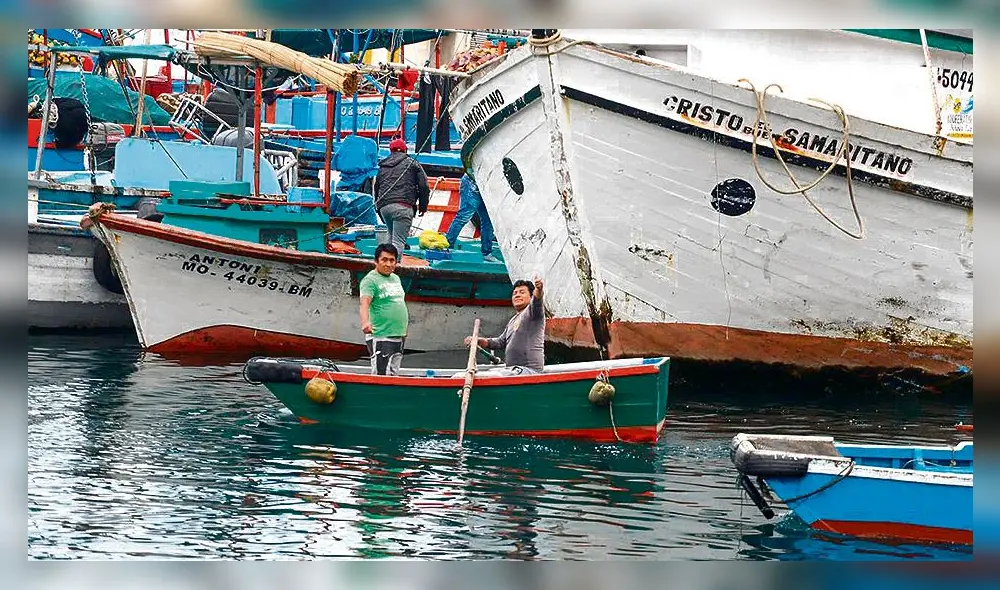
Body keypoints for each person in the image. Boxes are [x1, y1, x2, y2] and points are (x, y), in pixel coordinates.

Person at [466, 277, 545, 374]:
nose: (517, 295)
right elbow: (500, 342)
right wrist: (479, 340)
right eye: (515, 293)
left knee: (494, 375)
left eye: (522, 292)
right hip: (513, 370)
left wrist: (539, 289)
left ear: (531, 296)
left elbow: (537, 301)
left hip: (529, 371)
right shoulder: (512, 320)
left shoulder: (533, 312)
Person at [359, 243, 409, 376]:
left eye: (392, 260)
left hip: (398, 334)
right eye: (384, 260)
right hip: (380, 334)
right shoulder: (370, 280)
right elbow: (364, 303)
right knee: (381, 374)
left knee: (393, 373)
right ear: (376, 261)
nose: (388, 264)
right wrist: (365, 322)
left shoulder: (396, 278)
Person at [374, 138, 430, 252]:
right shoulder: (412, 163)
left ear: (391, 150)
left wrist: (379, 209)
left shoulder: (383, 166)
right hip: (403, 206)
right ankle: (394, 267)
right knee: (398, 242)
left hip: (385, 207)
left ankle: (385, 267)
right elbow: (424, 186)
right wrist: (423, 207)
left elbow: (376, 188)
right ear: (405, 150)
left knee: (390, 238)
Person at [444, 171, 497, 263]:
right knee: (464, 216)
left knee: (488, 220)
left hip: (488, 185)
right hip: (472, 181)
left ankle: (487, 252)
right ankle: (447, 247)